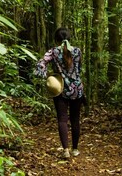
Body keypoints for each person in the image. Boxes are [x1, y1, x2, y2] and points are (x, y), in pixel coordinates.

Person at [35, 27, 84, 159]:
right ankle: (75, 149)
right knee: (75, 119)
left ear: (56, 39)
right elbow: (79, 69)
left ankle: (66, 150)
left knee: (62, 119)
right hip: (77, 89)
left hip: (60, 88)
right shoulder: (77, 51)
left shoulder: (53, 52)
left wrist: (45, 75)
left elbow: (41, 64)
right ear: (69, 38)